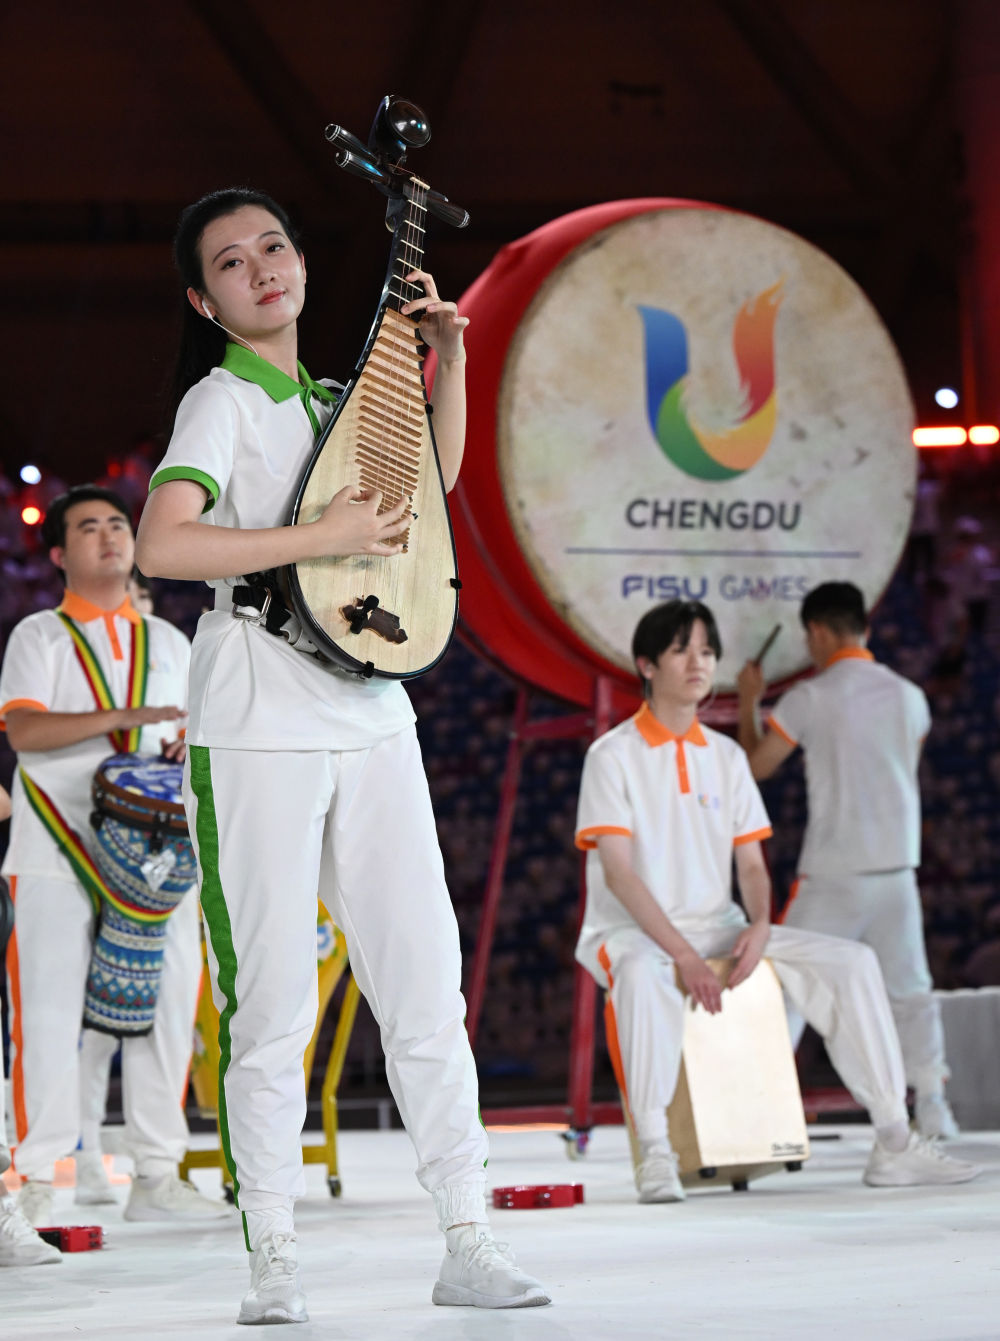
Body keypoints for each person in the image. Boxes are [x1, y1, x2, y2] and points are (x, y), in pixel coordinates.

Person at [135, 187, 549, 1324]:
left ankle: (467, 1237)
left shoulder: (334, 394)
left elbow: (433, 489)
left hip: (370, 713)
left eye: (275, 245)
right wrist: (319, 536)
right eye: (231, 261)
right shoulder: (221, 401)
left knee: (422, 985)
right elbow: (164, 541)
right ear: (202, 298)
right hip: (255, 715)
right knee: (268, 1007)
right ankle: (273, 1257)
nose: (261, 268)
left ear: (305, 263)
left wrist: (447, 364)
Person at [575, 598, 979, 1204]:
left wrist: (761, 924)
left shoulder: (729, 756)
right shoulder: (612, 755)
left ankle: (895, 1139)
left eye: (707, 650)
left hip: (721, 926)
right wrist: (684, 955)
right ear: (647, 665)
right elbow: (620, 876)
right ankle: (657, 1151)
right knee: (639, 972)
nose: (699, 662)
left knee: (852, 963)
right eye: (682, 649)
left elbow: (751, 864)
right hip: (629, 932)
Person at [0, 485, 229, 1227]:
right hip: (56, 845)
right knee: (50, 1009)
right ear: (61, 554)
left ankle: (158, 1173)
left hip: (155, 851)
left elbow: (193, 735)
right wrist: (128, 717)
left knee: (170, 1003)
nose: (109, 536)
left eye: (119, 524)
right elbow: (26, 734)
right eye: (88, 527)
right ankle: (35, 1178)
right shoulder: (39, 636)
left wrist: (183, 741)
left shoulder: (173, 642)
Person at [737, 581, 959, 1139]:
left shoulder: (811, 697)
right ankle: (933, 1105)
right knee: (911, 990)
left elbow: (758, 766)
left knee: (788, 986)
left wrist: (747, 702)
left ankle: (756, 1109)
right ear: (864, 626)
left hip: (834, 871)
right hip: (895, 869)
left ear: (816, 631)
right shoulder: (911, 696)